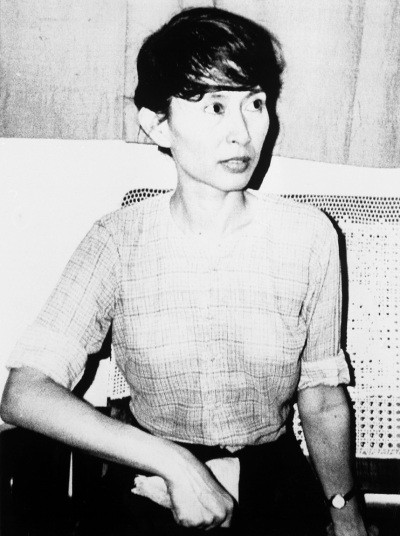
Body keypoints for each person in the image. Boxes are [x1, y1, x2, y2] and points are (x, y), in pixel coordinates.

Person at [1, 7, 371, 536]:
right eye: (214, 106)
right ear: (158, 124)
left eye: (255, 103)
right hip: (146, 472)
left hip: (271, 477)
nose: (242, 132)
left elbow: (322, 396)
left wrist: (345, 511)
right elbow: (24, 393)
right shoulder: (117, 241)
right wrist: (176, 464)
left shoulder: (309, 237)